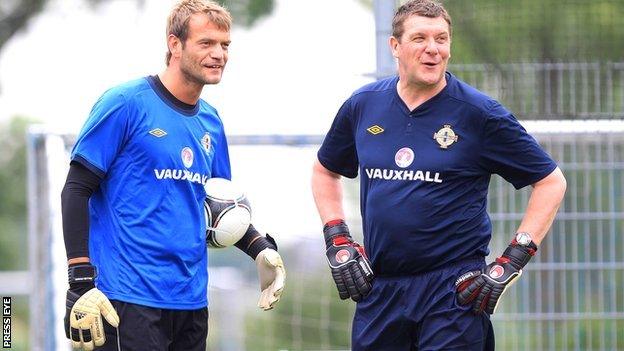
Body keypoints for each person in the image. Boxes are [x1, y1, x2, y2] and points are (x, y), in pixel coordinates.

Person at [311, 0, 567, 350]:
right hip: (380, 287)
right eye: (420, 38)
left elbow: (551, 181)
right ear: (395, 46)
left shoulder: (480, 113)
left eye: (442, 39)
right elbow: (325, 171)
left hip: (453, 293)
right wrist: (337, 238)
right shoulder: (363, 105)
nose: (433, 49)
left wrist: (511, 261)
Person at [60, 1, 285, 350]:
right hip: (125, 299)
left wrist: (260, 248)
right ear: (175, 44)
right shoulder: (125, 103)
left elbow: (215, 208)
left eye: (225, 45)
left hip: (191, 303)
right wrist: (80, 281)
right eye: (206, 43)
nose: (219, 54)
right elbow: (75, 190)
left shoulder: (210, 121)